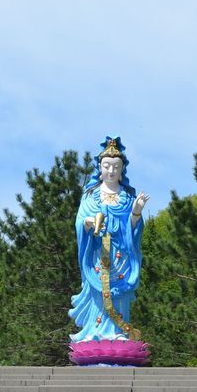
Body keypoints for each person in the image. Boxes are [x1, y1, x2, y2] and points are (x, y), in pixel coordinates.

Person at [69, 136, 149, 342]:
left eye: (116, 166)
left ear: (122, 169)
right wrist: (87, 223)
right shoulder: (90, 196)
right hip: (97, 253)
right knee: (98, 291)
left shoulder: (128, 197)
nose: (111, 171)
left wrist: (137, 212)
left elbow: (132, 228)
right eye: (107, 166)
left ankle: (118, 332)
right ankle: (95, 333)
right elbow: (80, 221)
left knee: (119, 293)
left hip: (121, 255)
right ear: (100, 168)